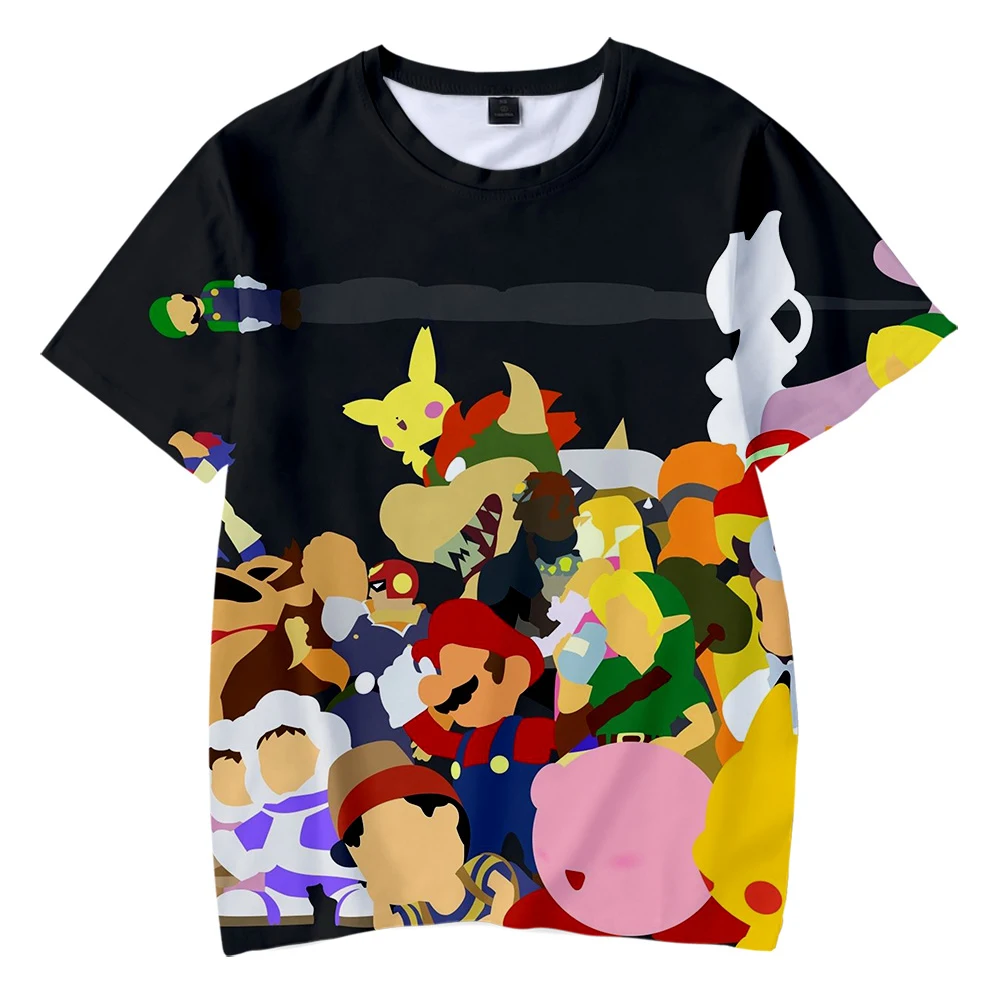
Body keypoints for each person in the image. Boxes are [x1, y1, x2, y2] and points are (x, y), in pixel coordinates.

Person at [328, 741, 518, 928]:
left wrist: (495, 921)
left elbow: (505, 888)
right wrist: (380, 900)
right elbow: (388, 926)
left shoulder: (479, 871)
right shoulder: (416, 912)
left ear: (448, 817)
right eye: (372, 865)